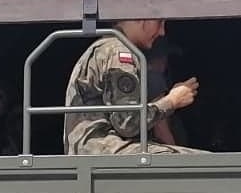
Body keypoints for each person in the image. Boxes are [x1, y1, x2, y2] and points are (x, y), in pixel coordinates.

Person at [63, 12, 203, 155]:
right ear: (140, 18)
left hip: (95, 148)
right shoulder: (119, 52)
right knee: (201, 161)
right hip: (102, 148)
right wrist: (171, 101)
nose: (162, 32)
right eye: (159, 22)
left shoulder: (108, 47)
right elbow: (128, 123)